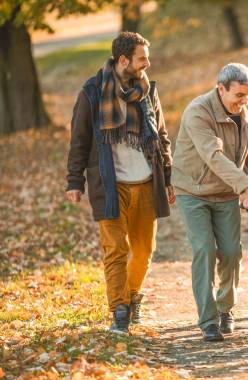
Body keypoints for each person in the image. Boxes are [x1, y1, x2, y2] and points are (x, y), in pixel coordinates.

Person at [65, 32, 174, 334]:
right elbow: (79, 139)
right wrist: (74, 180)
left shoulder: (148, 90)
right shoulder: (92, 91)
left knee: (143, 251)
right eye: (142, 59)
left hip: (146, 183)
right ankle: (120, 312)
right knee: (115, 250)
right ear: (123, 60)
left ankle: (132, 296)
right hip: (110, 185)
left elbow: (162, 136)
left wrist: (167, 178)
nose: (147, 63)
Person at [172, 63, 248, 342]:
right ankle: (208, 319)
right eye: (238, 95)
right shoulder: (198, 112)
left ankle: (226, 309)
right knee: (204, 249)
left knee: (230, 252)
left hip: (226, 191)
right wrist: (245, 186)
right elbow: (212, 156)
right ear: (221, 88)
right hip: (193, 190)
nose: (244, 102)